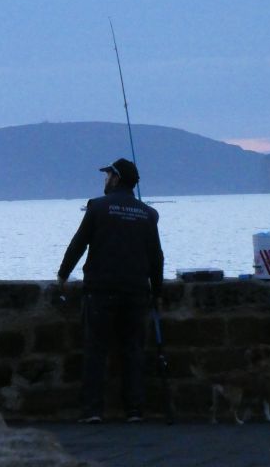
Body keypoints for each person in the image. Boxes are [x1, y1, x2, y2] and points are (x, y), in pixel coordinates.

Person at [56, 157, 164, 423]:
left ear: (116, 179)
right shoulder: (148, 214)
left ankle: (93, 411)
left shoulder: (97, 207)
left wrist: (62, 275)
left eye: (107, 176)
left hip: (100, 291)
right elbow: (156, 257)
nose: (105, 180)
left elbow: (78, 245)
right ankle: (135, 410)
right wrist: (157, 292)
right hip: (136, 292)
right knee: (133, 351)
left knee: (95, 351)